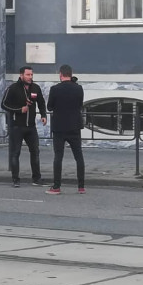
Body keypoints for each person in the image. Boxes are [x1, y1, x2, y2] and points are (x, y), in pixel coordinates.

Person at [1, 66, 47, 186]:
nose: (30, 77)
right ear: (21, 75)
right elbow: (4, 104)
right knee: (16, 153)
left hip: (31, 126)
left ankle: (36, 178)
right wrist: (19, 110)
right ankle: (15, 179)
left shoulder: (35, 88)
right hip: (17, 126)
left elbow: (41, 102)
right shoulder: (13, 88)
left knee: (35, 151)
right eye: (28, 75)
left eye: (31, 75)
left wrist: (43, 115)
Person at [46, 64, 85, 195]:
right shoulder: (79, 88)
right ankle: (81, 187)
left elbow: (49, 106)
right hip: (75, 126)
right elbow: (80, 104)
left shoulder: (55, 89)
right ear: (71, 73)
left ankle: (56, 186)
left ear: (60, 74)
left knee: (58, 156)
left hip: (59, 127)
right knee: (78, 156)